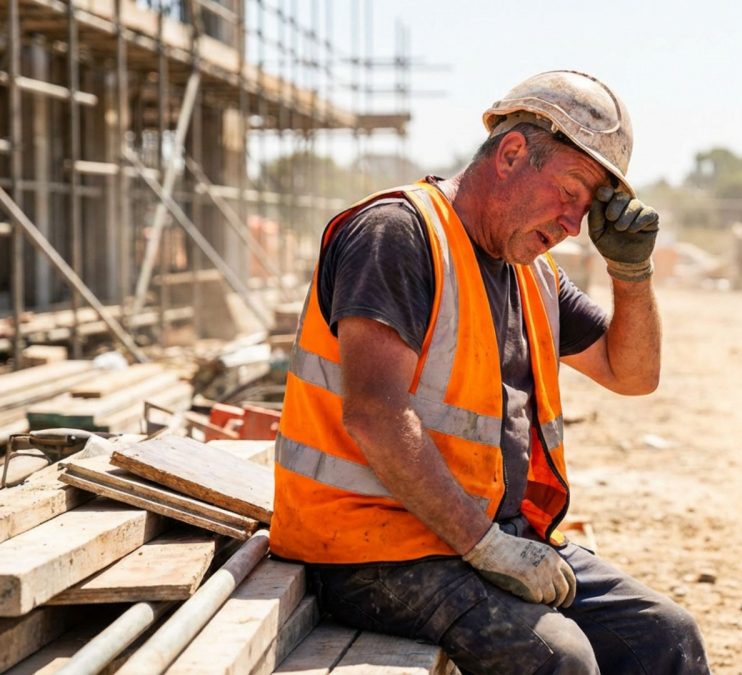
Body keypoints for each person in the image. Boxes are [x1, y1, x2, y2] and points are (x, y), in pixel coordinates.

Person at [269, 70, 710, 674]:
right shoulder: (398, 234)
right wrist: (486, 546)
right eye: (570, 191)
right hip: (370, 549)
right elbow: (374, 414)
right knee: (563, 662)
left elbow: (630, 374)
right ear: (511, 154)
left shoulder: (532, 272)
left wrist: (631, 274)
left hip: (482, 537)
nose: (573, 224)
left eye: (589, 208)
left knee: (665, 635)